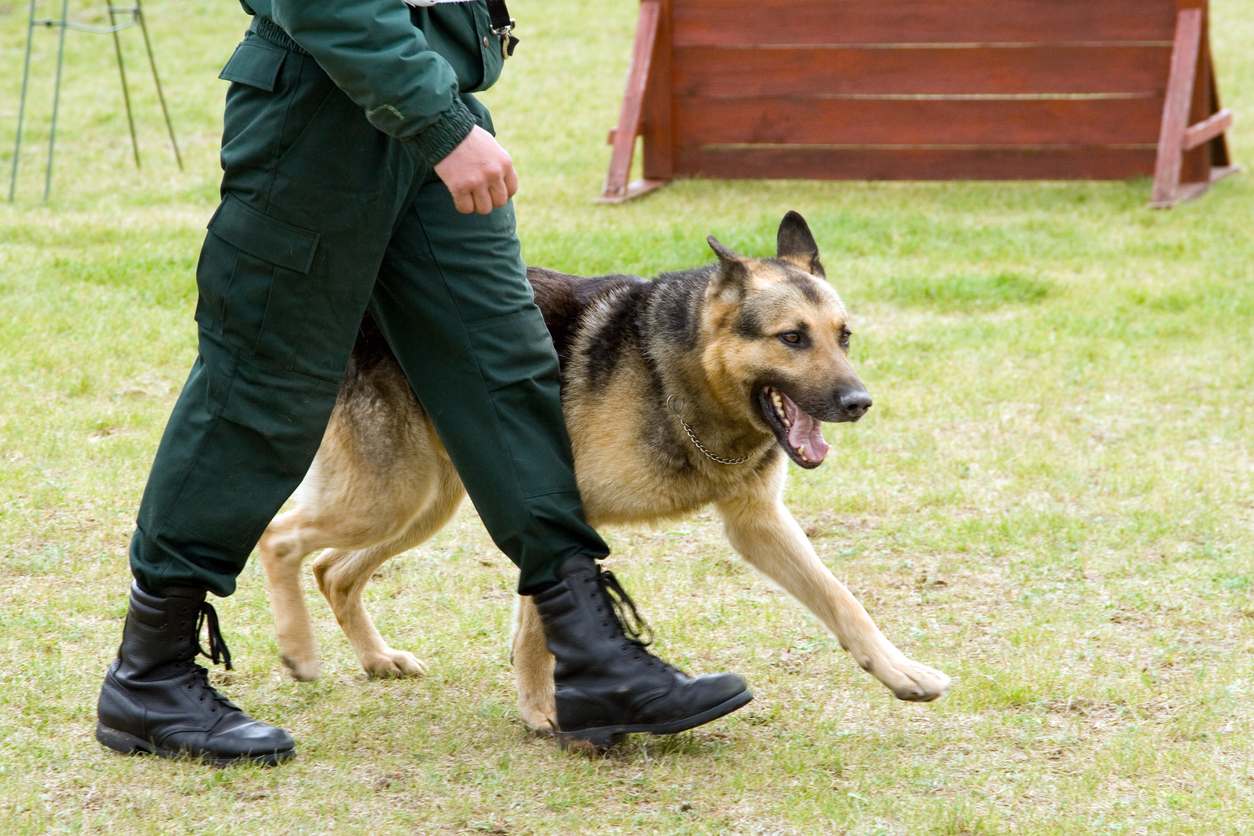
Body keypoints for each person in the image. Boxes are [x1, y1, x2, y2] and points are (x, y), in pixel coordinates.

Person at [94, 0, 751, 765]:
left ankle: (592, 656)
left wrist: (443, 117)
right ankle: (151, 672)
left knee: (505, 372)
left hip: (436, 111)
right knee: (259, 387)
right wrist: (441, 125)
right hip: (321, 122)